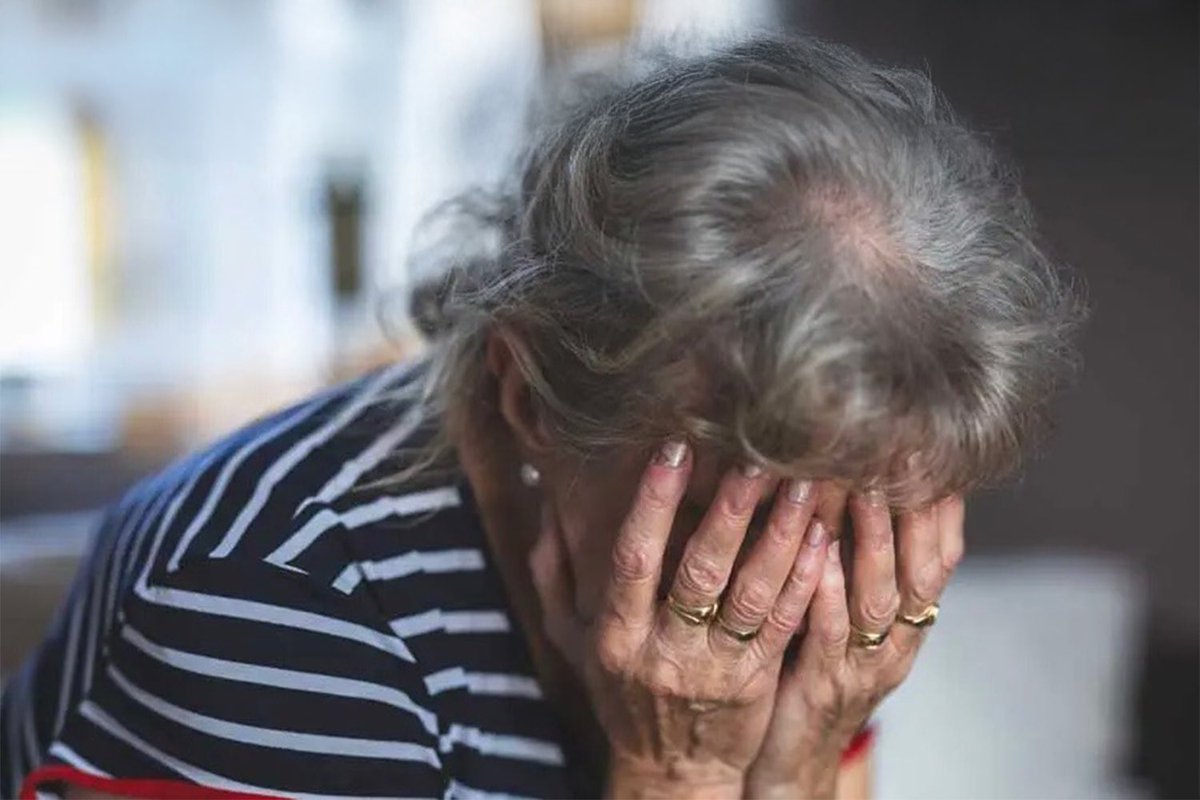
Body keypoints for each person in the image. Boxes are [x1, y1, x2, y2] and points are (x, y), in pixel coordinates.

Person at [2, 34, 1084, 800]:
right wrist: (681, 774)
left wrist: (800, 767)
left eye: (871, 524)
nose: (809, 596)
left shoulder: (805, 592)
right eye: (748, 515)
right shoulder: (269, 601)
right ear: (532, 400)